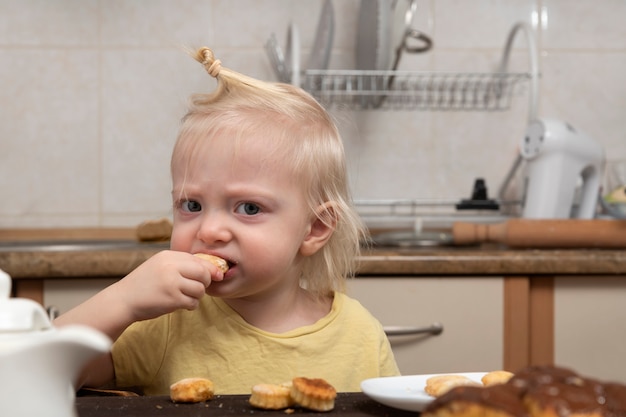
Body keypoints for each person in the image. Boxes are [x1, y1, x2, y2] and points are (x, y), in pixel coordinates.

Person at [55, 47, 400, 395]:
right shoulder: (169, 323)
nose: (209, 231)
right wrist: (122, 301)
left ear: (315, 228)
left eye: (249, 208)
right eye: (191, 205)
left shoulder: (361, 336)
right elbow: (31, 374)